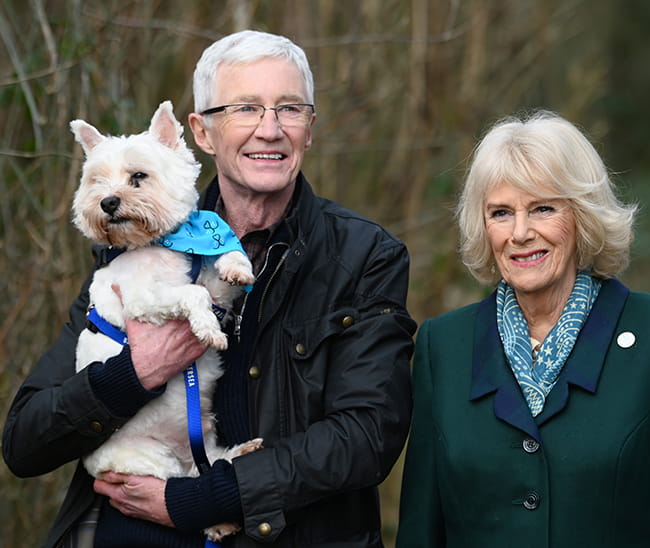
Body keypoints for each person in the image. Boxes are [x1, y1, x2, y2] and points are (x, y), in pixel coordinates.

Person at [3, 30, 416, 547]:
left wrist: (199, 500)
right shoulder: (132, 245)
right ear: (201, 132)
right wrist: (134, 374)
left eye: (289, 109)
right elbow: (25, 442)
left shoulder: (363, 256)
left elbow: (367, 436)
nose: (270, 129)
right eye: (246, 108)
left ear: (309, 128)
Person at [395, 111, 650, 547]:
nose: (521, 232)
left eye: (543, 208)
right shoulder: (443, 347)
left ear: (582, 216)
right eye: (501, 213)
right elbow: (421, 528)